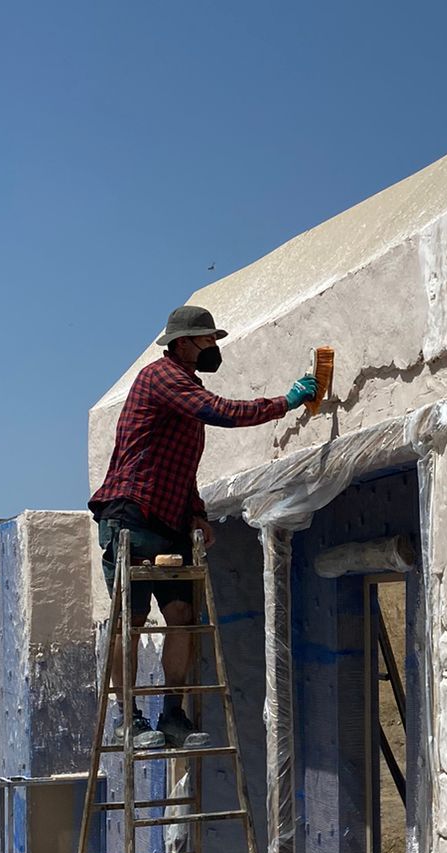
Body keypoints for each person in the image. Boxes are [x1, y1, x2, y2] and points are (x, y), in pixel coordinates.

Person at [89, 303, 316, 749]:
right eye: (208, 338)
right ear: (182, 342)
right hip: (131, 512)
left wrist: (196, 512)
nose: (214, 346)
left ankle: (173, 714)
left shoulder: (184, 385)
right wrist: (286, 403)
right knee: (130, 620)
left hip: (169, 516)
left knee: (182, 618)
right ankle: (128, 718)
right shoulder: (163, 377)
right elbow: (221, 412)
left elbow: (179, 466)